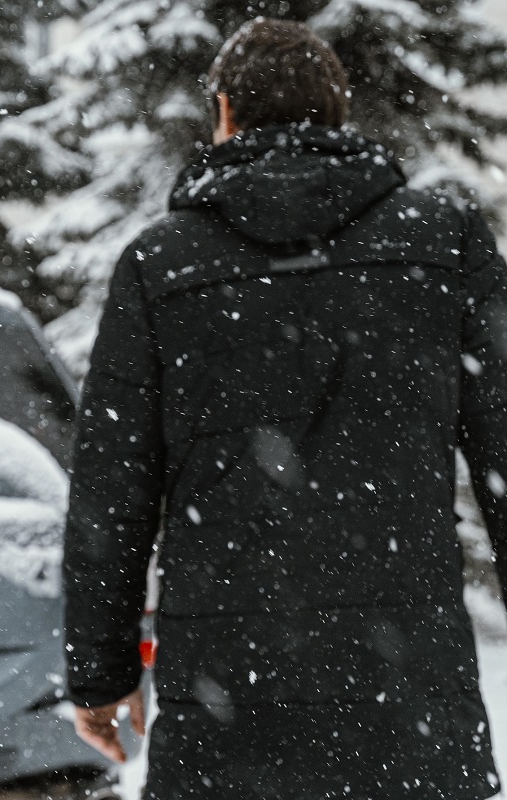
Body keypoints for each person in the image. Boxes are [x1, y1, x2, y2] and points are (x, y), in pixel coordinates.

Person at [63, 17, 507, 798]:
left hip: (228, 696)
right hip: (407, 694)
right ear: (338, 113)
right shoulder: (443, 242)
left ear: (225, 113)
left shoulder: (160, 266)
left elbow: (112, 489)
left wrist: (101, 674)